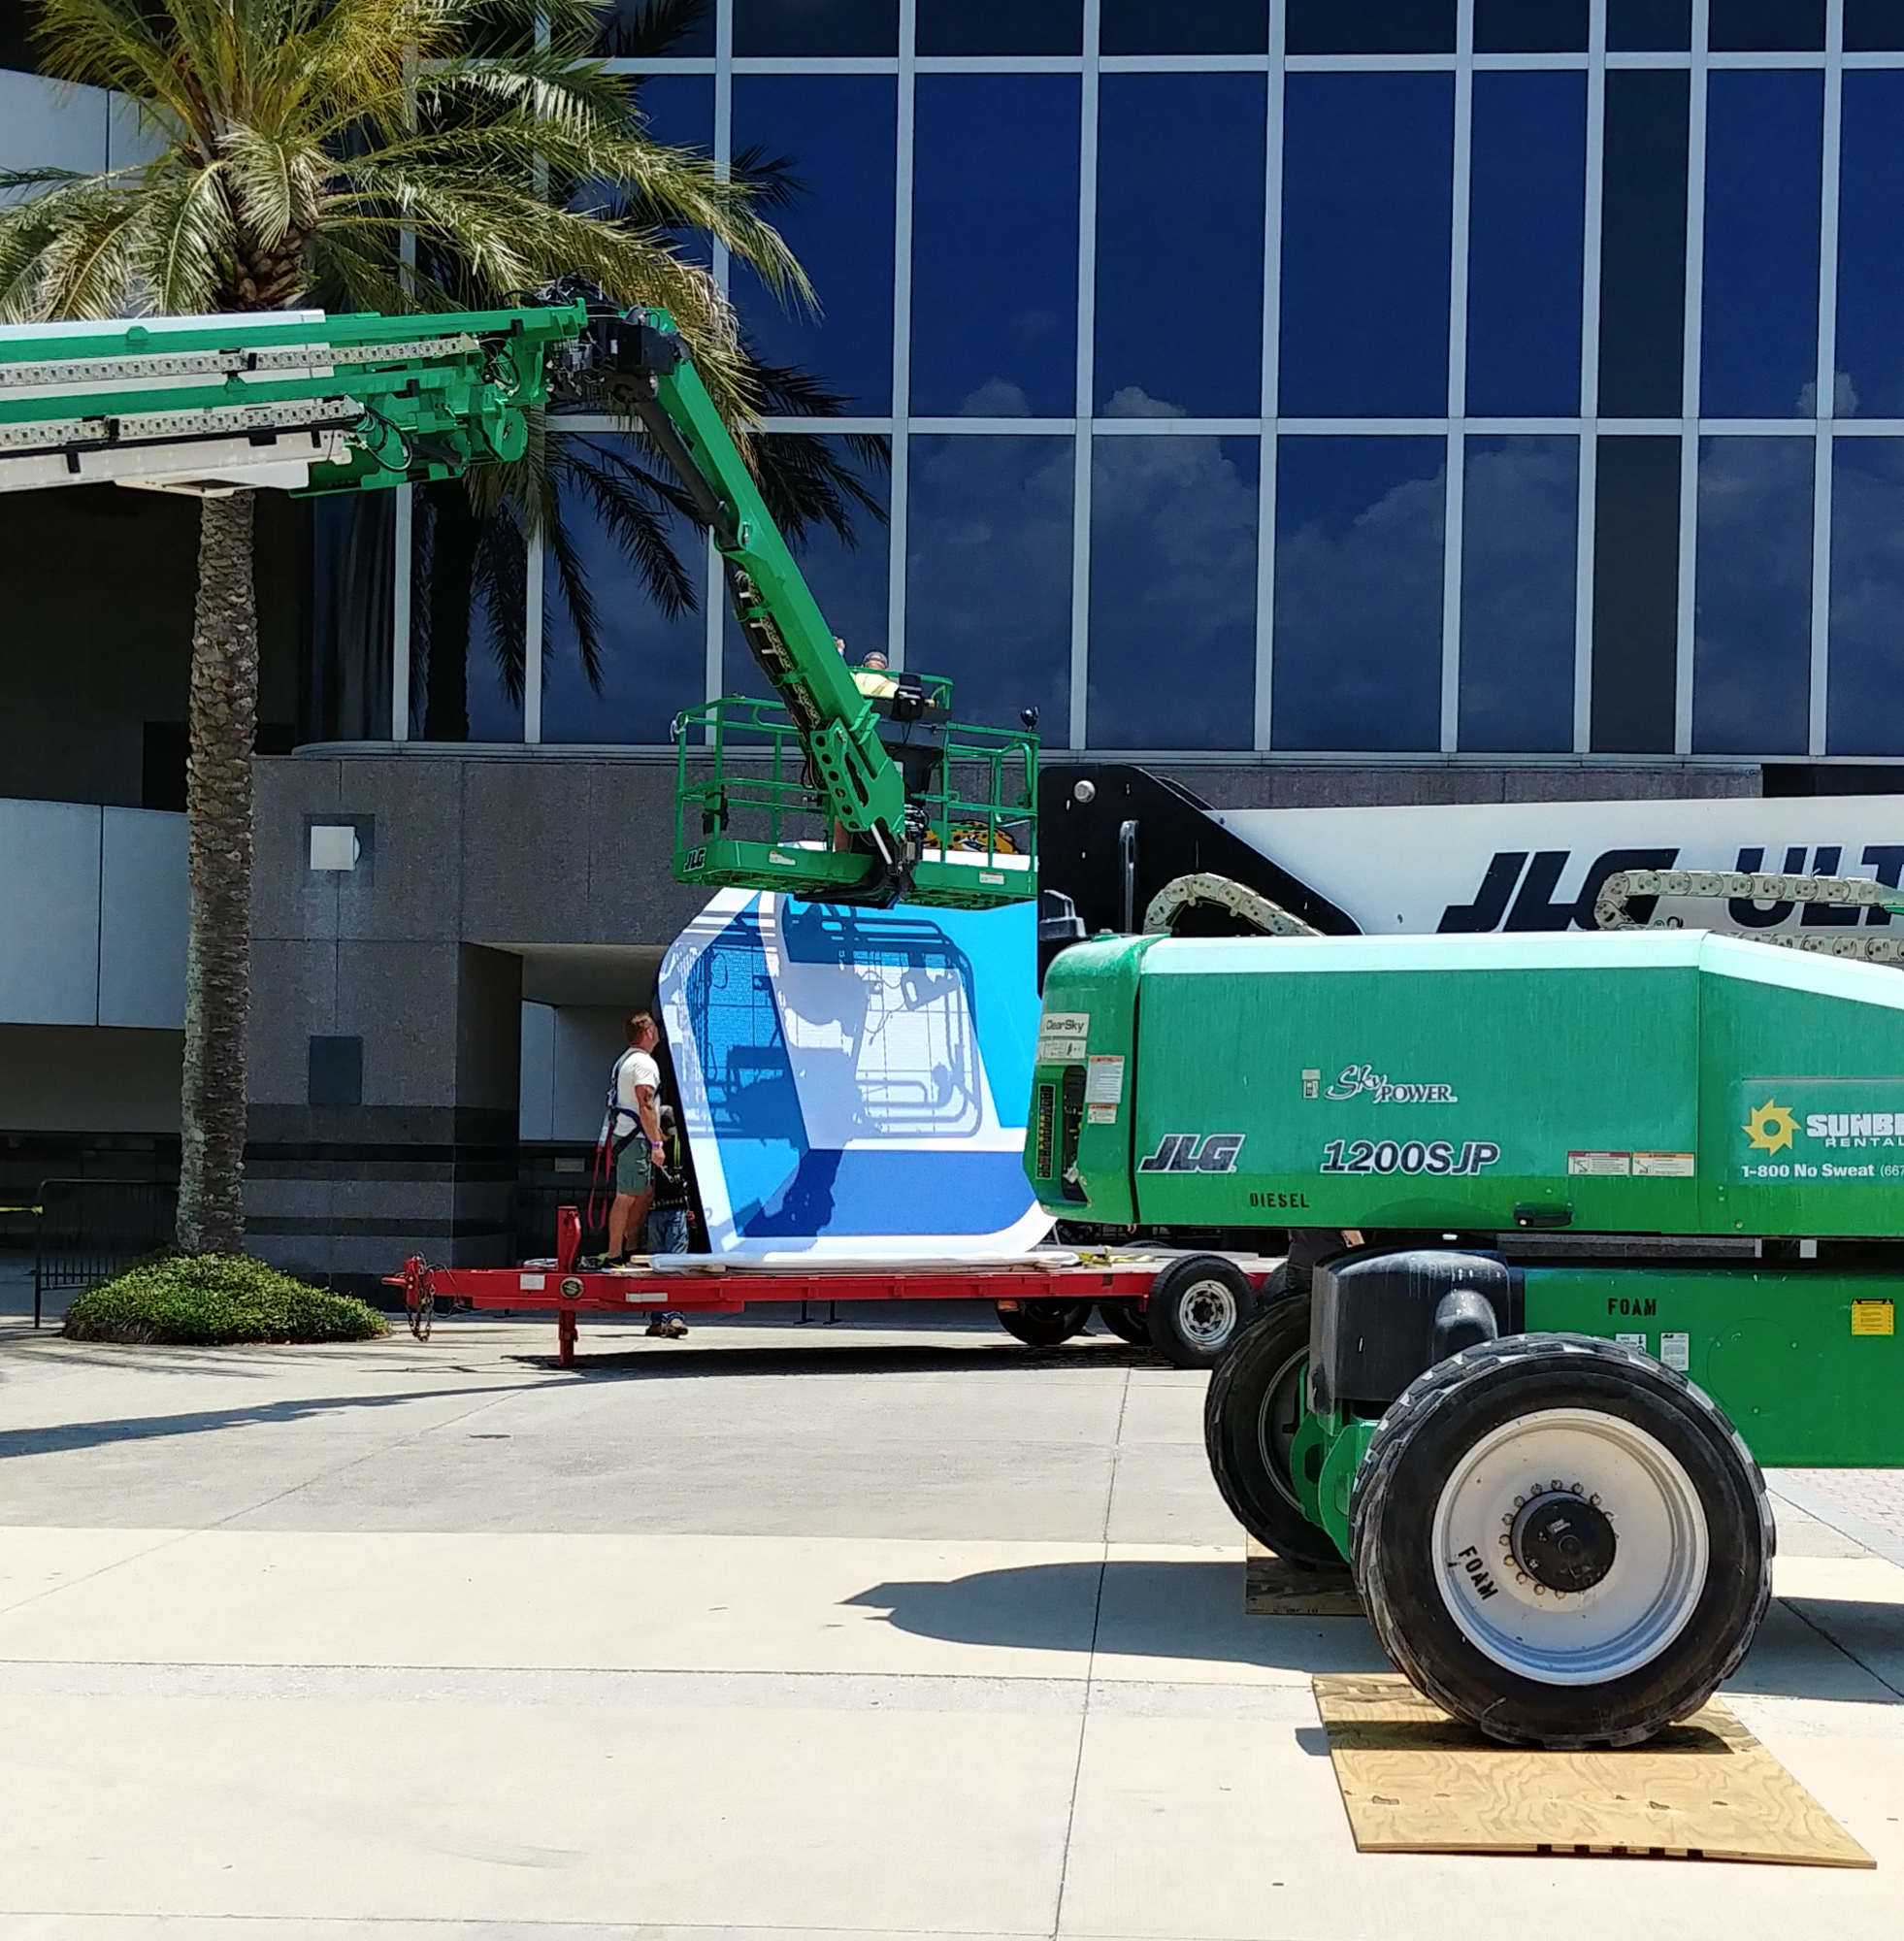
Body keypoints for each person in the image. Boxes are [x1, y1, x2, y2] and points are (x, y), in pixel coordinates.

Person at [603, 1012, 666, 1264]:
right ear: (648, 1032)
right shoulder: (644, 1064)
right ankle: (616, 1253)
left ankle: (629, 1246)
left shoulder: (626, 1061)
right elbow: (646, 1104)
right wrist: (657, 1144)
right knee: (626, 1196)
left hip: (630, 1135)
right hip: (635, 1138)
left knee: (643, 1192)